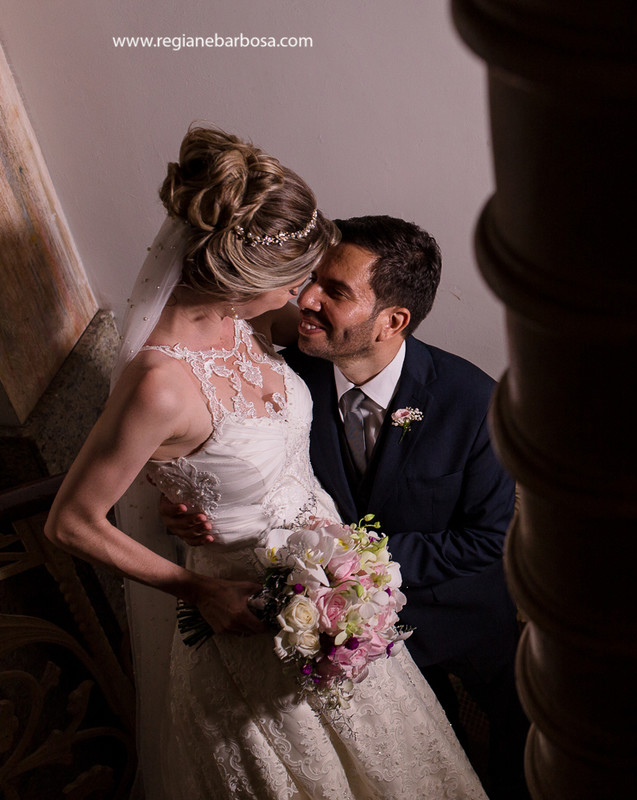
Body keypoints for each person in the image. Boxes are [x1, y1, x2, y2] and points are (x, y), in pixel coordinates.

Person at [44, 127, 487, 800]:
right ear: (239, 278)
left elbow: (358, 351)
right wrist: (199, 590)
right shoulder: (160, 384)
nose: (302, 298)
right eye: (293, 279)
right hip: (244, 621)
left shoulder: (255, 322)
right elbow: (71, 523)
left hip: (340, 601)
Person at [166, 215, 530, 800]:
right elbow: (237, 470)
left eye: (335, 291)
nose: (305, 299)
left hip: (460, 620)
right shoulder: (281, 380)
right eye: (312, 280)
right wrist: (186, 508)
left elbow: (489, 539)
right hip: (334, 641)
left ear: (393, 320)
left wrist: (352, 561)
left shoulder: (473, 402)